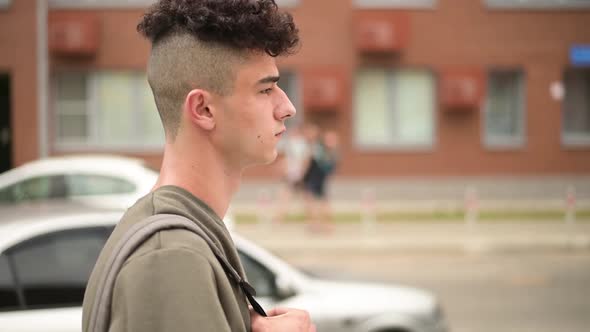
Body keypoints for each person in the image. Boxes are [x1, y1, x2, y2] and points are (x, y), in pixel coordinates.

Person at [82, 1, 315, 332]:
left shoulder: (181, 236)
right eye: (265, 89)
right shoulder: (170, 258)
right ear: (204, 109)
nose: (287, 107)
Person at [302, 129, 340, 233]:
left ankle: (322, 224)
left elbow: (307, 161)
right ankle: (318, 224)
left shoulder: (321, 150)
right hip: (314, 177)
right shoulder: (324, 151)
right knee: (317, 202)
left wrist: (302, 174)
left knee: (316, 202)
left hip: (315, 178)